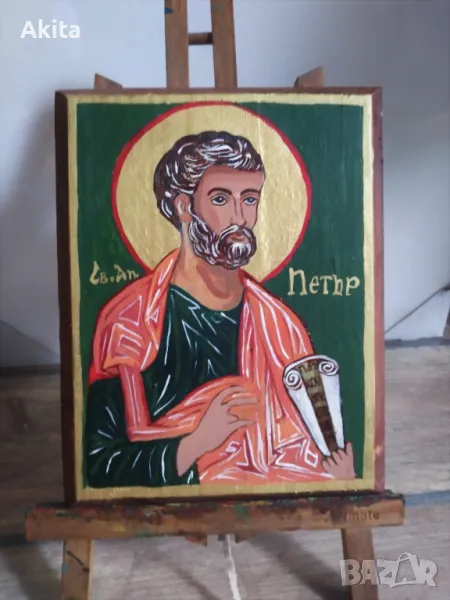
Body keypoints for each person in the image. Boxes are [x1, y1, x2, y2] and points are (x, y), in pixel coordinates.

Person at [85, 130, 355, 488]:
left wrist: (336, 475)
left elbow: (307, 448)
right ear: (184, 207)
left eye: (250, 199)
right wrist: (198, 442)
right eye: (220, 199)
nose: (239, 217)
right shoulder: (131, 320)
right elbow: (100, 466)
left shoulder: (280, 327)